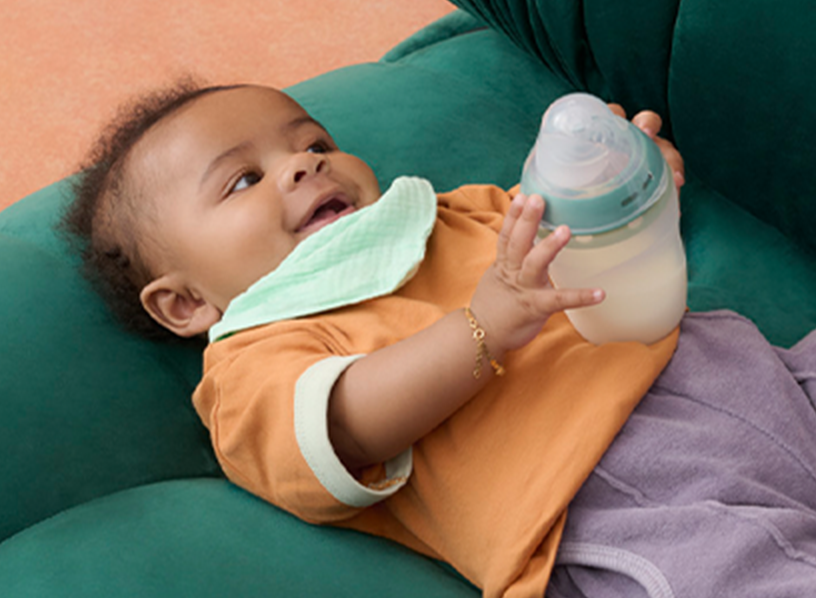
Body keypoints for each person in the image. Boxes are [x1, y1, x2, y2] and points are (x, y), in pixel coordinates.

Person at [63, 83, 816, 597]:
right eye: (241, 181)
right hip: (617, 494)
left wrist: (626, 183)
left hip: (739, 371)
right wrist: (484, 325)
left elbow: (589, 243)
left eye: (314, 141)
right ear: (187, 301)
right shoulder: (255, 357)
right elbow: (342, 426)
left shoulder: (454, 214)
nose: (303, 163)